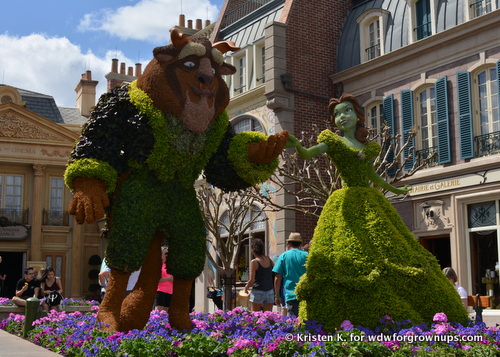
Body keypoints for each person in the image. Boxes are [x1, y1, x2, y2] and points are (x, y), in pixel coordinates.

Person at [287, 93, 468, 331]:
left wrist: (393, 187)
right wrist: (297, 145)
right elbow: (308, 154)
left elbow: (371, 175)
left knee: (387, 244)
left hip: (371, 200)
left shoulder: (368, 147)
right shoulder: (332, 141)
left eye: (346, 111)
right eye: (337, 114)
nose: (342, 117)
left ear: (357, 115)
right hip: (346, 200)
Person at [272, 233, 308, 316]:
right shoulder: (307, 255)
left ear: (289, 244)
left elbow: (277, 277)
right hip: (306, 294)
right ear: (300, 244)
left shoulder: (283, 256)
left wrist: (277, 295)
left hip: (291, 295)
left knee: (293, 322)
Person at [244, 239, 274, 312]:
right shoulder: (269, 260)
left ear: (252, 251)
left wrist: (246, 287)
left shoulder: (254, 262)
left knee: (256, 317)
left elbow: (252, 280)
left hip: (258, 291)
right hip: (270, 291)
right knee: (268, 317)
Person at [155, 246, 173, 311]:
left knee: (166, 311)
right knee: (159, 310)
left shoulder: (170, 266)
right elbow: (156, 279)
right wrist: (169, 278)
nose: (167, 256)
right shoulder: (158, 266)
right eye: (165, 254)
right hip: (160, 291)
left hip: (170, 291)